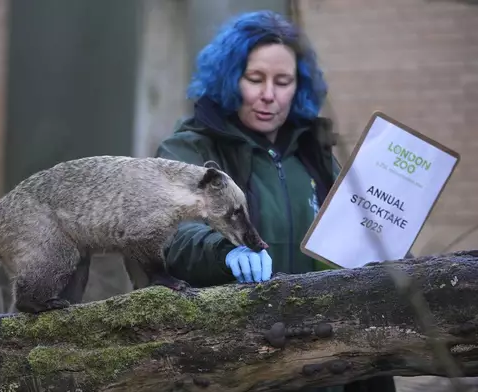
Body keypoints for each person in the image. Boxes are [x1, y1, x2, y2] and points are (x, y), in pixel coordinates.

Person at [155, 10, 396, 392]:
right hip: (236, 364)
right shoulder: (190, 148)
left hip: (323, 364)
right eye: (255, 79)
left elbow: (352, 239)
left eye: (283, 82)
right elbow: (172, 237)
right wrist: (224, 251)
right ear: (230, 78)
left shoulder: (314, 154)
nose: (269, 94)